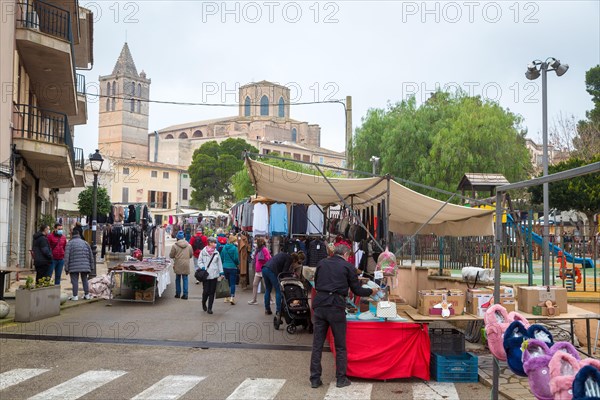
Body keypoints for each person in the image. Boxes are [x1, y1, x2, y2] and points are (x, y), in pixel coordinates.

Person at [309, 244, 379, 389]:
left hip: (320, 305)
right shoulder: (348, 267)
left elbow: (317, 283)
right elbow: (357, 290)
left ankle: (315, 379)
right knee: (340, 345)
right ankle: (341, 379)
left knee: (317, 345)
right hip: (336, 306)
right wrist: (371, 291)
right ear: (346, 254)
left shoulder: (322, 263)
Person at [262, 251, 305, 315]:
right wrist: (290, 276)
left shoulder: (284, 254)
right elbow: (284, 272)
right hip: (272, 271)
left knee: (268, 289)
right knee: (278, 290)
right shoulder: (289, 259)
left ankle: (267, 309)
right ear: (294, 260)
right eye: (295, 262)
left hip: (265, 268)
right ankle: (278, 311)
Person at [64, 229, 94, 301]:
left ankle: (75, 296)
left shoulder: (69, 243)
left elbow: (66, 257)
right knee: (85, 280)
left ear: (72, 235)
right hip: (85, 265)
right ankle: (87, 295)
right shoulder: (85, 243)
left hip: (73, 266)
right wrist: (91, 266)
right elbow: (91, 256)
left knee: (74, 281)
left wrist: (66, 268)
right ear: (79, 235)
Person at [198, 237, 224, 314]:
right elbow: (199, 261)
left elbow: (219, 263)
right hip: (206, 275)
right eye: (213, 242)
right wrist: (202, 267)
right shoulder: (203, 252)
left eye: (215, 242)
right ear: (209, 243)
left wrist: (221, 272)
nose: (215, 244)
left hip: (214, 274)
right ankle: (203, 303)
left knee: (212, 292)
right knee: (206, 291)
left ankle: (210, 308)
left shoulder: (216, 253)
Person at [248, 238, 271, 307]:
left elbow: (268, 258)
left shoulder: (264, 250)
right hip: (258, 270)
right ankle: (254, 299)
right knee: (255, 284)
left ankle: (270, 299)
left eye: (256, 242)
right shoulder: (258, 250)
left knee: (266, 285)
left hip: (263, 269)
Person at [170, 230, 193, 299]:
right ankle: (185, 294)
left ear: (177, 238)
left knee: (177, 278)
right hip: (186, 264)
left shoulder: (175, 246)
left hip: (178, 263)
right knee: (185, 278)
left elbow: (171, 255)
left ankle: (178, 293)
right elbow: (191, 255)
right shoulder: (189, 245)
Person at [220, 235, 240, 304]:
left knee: (226, 283)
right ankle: (232, 297)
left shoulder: (224, 247)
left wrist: (222, 265)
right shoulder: (235, 248)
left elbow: (221, 257)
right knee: (232, 283)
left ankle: (226, 298)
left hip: (225, 267)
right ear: (233, 241)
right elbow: (236, 259)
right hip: (233, 267)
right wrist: (237, 263)